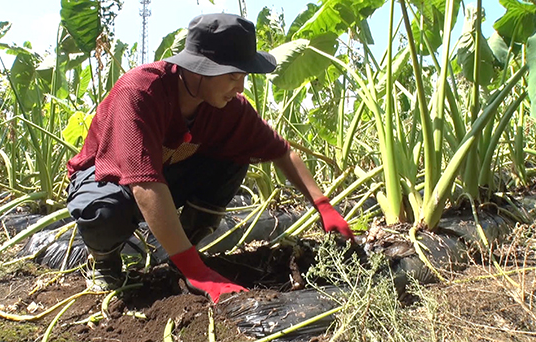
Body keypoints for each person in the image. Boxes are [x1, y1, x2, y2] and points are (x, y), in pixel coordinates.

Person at [66, 13, 354, 303]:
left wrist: (323, 205)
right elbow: (145, 184)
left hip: (162, 178)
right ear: (199, 70)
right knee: (103, 212)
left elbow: (281, 150)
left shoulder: (228, 107)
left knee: (236, 156)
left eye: (242, 77)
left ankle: (177, 252)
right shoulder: (141, 92)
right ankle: (104, 261)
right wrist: (197, 273)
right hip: (105, 178)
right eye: (232, 76)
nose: (240, 88)